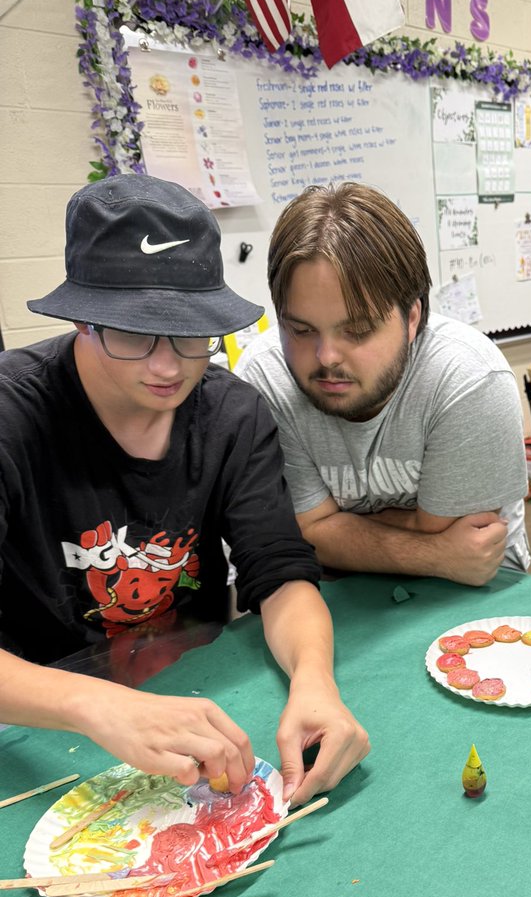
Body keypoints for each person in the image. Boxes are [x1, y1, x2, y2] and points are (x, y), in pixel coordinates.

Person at [2, 173, 369, 803]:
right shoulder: (14, 416)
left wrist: (315, 680)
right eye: (134, 335)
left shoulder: (233, 415)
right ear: (81, 320)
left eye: (192, 333)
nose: (169, 366)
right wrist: (99, 706)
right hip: (41, 714)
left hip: (197, 682)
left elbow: (278, 572)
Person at [235, 183, 530, 586]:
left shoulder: (469, 378)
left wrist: (334, 525)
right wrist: (436, 550)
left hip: (468, 590)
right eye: (300, 329)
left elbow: (314, 528)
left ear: (411, 319)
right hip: (340, 594)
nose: (326, 357)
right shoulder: (265, 379)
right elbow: (305, 533)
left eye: (356, 330)